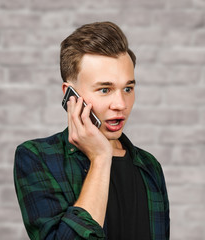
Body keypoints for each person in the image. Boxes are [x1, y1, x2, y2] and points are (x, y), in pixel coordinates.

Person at [14, 21, 170, 240]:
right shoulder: (37, 157)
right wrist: (100, 158)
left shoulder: (149, 166)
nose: (120, 104)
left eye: (128, 88)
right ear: (70, 95)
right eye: (105, 89)